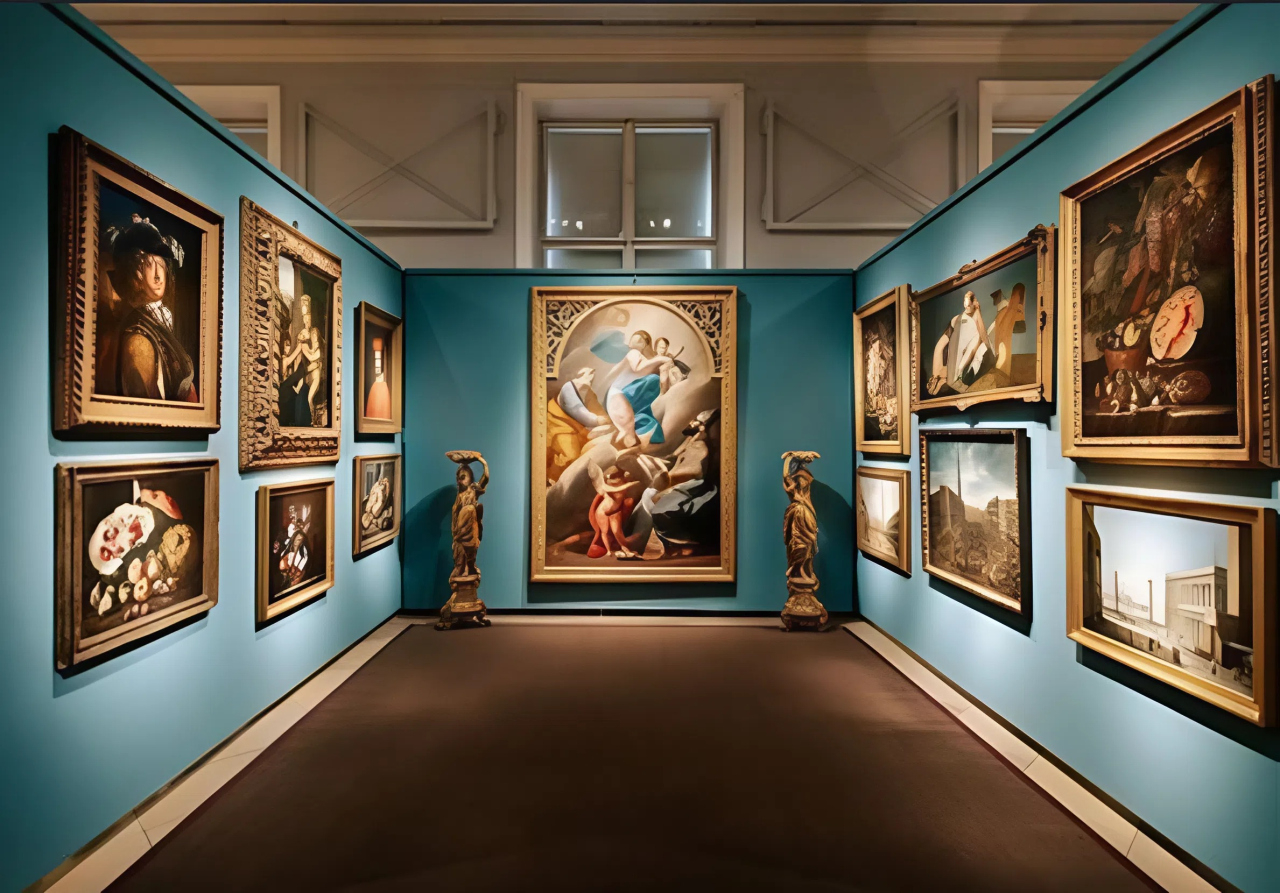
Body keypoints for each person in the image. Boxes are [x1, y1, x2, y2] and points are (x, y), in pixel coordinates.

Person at [101, 214, 197, 402]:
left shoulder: (159, 320)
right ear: (134, 275)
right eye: (146, 266)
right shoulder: (138, 340)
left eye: (160, 264)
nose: (157, 276)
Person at [601, 330, 675, 448]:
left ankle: (641, 439)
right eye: (634, 338)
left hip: (624, 399)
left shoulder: (642, 357)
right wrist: (661, 359)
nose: (633, 341)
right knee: (653, 380)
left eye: (639, 339)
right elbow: (638, 368)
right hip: (620, 397)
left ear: (645, 344)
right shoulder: (633, 353)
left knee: (648, 424)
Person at [547, 367, 608, 481]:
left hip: (576, 428)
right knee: (572, 458)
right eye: (589, 374)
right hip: (561, 426)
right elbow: (578, 411)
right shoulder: (569, 388)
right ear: (581, 374)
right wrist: (598, 420)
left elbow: (595, 407)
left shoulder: (586, 390)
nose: (591, 378)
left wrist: (606, 419)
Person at [927, 290, 994, 396]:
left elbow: (984, 339)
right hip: (954, 369)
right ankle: (940, 379)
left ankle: (943, 378)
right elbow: (940, 346)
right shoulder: (957, 320)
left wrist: (977, 312)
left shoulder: (974, 323)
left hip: (963, 370)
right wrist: (936, 376)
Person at [280, 294, 324, 426]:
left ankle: (312, 419)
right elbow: (303, 358)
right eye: (305, 318)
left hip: (310, 372)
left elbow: (314, 356)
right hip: (304, 371)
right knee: (299, 393)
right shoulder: (303, 338)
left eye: (308, 318)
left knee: (307, 396)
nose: (306, 321)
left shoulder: (313, 334)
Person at [587, 462, 641, 559]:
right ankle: (608, 551)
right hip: (602, 511)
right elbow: (618, 489)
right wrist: (631, 484)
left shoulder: (623, 482)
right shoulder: (606, 487)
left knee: (617, 532)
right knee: (605, 531)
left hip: (614, 511)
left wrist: (629, 482)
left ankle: (626, 550)